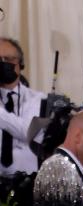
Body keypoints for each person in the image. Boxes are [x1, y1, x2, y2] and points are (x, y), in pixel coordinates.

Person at [0, 36, 42, 183]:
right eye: (0, 60)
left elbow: (29, 131)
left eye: (9, 60)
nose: (3, 64)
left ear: (20, 64)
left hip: (26, 183)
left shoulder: (37, 99)